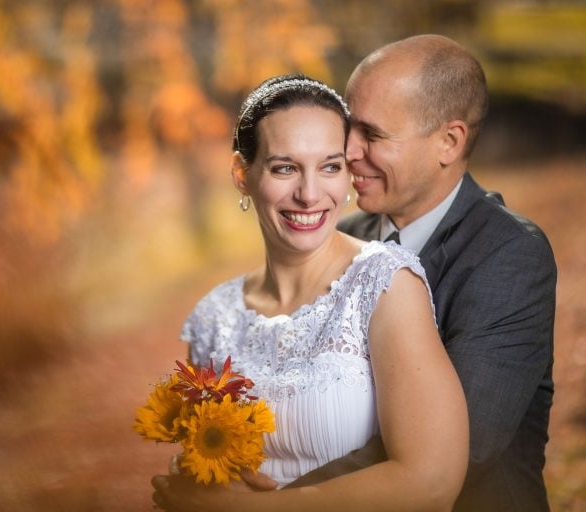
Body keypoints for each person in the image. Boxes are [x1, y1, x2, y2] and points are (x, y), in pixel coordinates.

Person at [150, 74, 469, 511]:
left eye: (330, 166)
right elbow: (211, 464)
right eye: (285, 167)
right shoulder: (215, 317)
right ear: (242, 175)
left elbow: (431, 484)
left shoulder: (383, 284)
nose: (309, 194)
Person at [281, 35, 557, 512]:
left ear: (448, 142)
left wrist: (273, 492)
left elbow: (460, 450)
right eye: (349, 127)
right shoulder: (341, 237)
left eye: (373, 134)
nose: (347, 151)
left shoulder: (509, 255)